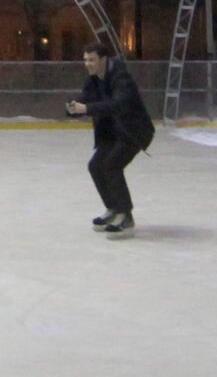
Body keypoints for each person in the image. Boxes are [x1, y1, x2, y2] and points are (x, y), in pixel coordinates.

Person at [62, 41, 154, 235]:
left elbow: (119, 104)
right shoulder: (93, 79)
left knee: (112, 165)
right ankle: (113, 209)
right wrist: (73, 108)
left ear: (103, 59)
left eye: (92, 59)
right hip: (111, 133)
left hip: (133, 132)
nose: (88, 64)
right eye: (85, 60)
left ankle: (125, 216)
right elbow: (85, 98)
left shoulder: (121, 77)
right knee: (95, 166)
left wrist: (86, 108)